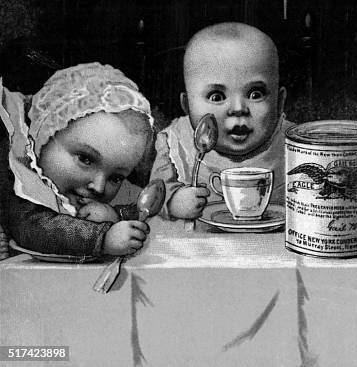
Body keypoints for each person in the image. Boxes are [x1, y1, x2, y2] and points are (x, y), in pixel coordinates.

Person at [0, 63, 155, 257]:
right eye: (85, 159)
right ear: (45, 137)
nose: (98, 188)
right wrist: (102, 237)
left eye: (115, 177)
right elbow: (32, 228)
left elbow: (134, 207)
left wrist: (114, 216)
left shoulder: (85, 190)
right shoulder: (20, 176)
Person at [150, 22, 292, 220]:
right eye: (216, 97)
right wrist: (174, 202)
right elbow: (153, 196)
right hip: (201, 247)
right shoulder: (176, 144)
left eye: (255, 94)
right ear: (187, 105)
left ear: (280, 101)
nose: (238, 108)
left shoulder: (297, 146)